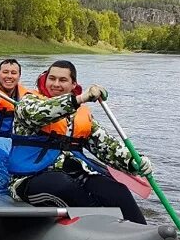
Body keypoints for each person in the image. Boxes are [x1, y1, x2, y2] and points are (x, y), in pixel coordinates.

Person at [9, 60, 152, 224]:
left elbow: (106, 146)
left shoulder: (82, 115)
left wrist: (134, 162)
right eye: (52, 78)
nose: (55, 84)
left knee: (118, 191)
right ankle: (99, 225)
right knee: (62, 185)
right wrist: (80, 99)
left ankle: (142, 233)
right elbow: (40, 113)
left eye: (62, 80)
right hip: (31, 177)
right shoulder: (28, 103)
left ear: (72, 84)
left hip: (74, 172)